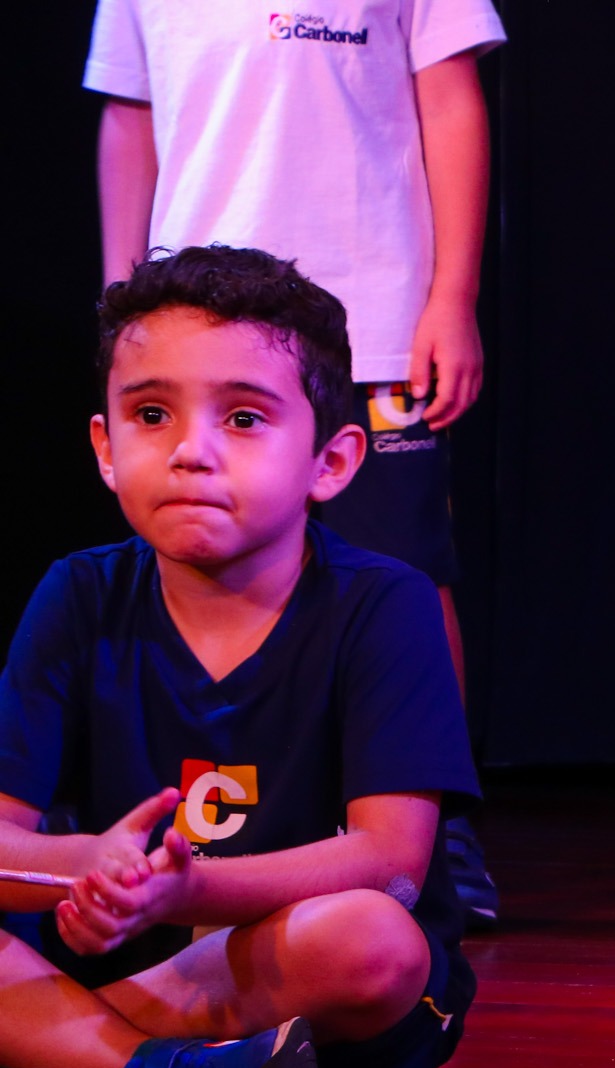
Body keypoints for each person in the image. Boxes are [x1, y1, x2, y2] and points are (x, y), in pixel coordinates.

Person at [0, 246, 481, 1068]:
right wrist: (86, 864)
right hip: (122, 966)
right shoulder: (78, 593)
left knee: (372, 937)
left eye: (245, 417)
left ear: (332, 460)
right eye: (151, 414)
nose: (190, 451)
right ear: (105, 448)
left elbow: (392, 862)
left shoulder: (384, 603)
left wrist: (187, 890)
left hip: (299, 994)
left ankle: (52, 1062)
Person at [86, 0, 507, 926]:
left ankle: (434, 820)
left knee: (406, 567)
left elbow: (450, 101)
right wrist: (125, 301)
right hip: (196, 325)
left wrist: (452, 295)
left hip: (375, 315)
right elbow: (130, 113)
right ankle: (215, 819)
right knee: (203, 557)